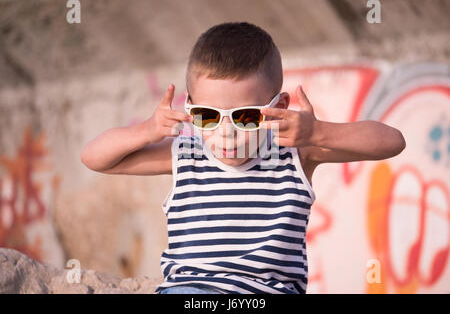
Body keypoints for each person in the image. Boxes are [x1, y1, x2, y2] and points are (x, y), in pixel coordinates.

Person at [80, 22, 406, 294]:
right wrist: (147, 130)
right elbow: (95, 158)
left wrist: (318, 132)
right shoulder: (186, 155)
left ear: (278, 107)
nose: (226, 133)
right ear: (190, 107)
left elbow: (391, 141)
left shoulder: (295, 153)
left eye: (245, 117)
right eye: (207, 116)